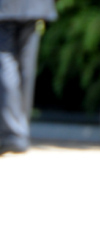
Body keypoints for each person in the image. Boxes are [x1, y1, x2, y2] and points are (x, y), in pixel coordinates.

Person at [0, 0, 57, 156]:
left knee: (5, 63)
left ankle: (13, 133)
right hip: (37, 6)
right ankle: (20, 131)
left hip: (5, 8)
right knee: (26, 66)